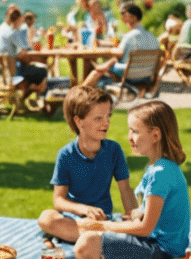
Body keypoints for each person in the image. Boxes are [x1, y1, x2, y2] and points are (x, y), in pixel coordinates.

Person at [72, 100, 190, 259]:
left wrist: (102, 227)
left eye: (134, 131)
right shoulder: (160, 167)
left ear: (155, 136)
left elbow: (144, 228)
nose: (129, 137)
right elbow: (145, 216)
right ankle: (106, 253)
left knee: (85, 245)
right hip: (159, 244)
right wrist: (124, 220)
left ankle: (103, 257)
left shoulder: (160, 173)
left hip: (163, 254)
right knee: (95, 231)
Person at [37, 86, 138, 245]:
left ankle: (83, 238)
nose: (106, 123)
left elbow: (125, 188)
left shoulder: (113, 150)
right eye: (98, 118)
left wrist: (133, 216)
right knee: (46, 218)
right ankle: (96, 238)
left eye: (108, 116)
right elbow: (59, 200)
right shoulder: (66, 155)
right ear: (79, 121)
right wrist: (83, 209)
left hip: (103, 220)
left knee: (134, 223)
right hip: (74, 219)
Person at [82, 2, 159, 89]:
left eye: (124, 14)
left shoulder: (130, 36)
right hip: (146, 77)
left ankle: (78, 97)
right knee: (101, 71)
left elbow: (119, 54)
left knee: (96, 72)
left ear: (133, 18)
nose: (122, 17)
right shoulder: (153, 38)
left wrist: (110, 52)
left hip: (129, 76)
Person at [0, 4, 47, 95]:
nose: (22, 24)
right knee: (42, 71)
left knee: (32, 69)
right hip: (12, 73)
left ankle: (31, 92)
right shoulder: (12, 32)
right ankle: (42, 97)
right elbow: (25, 49)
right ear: (17, 20)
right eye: (21, 21)